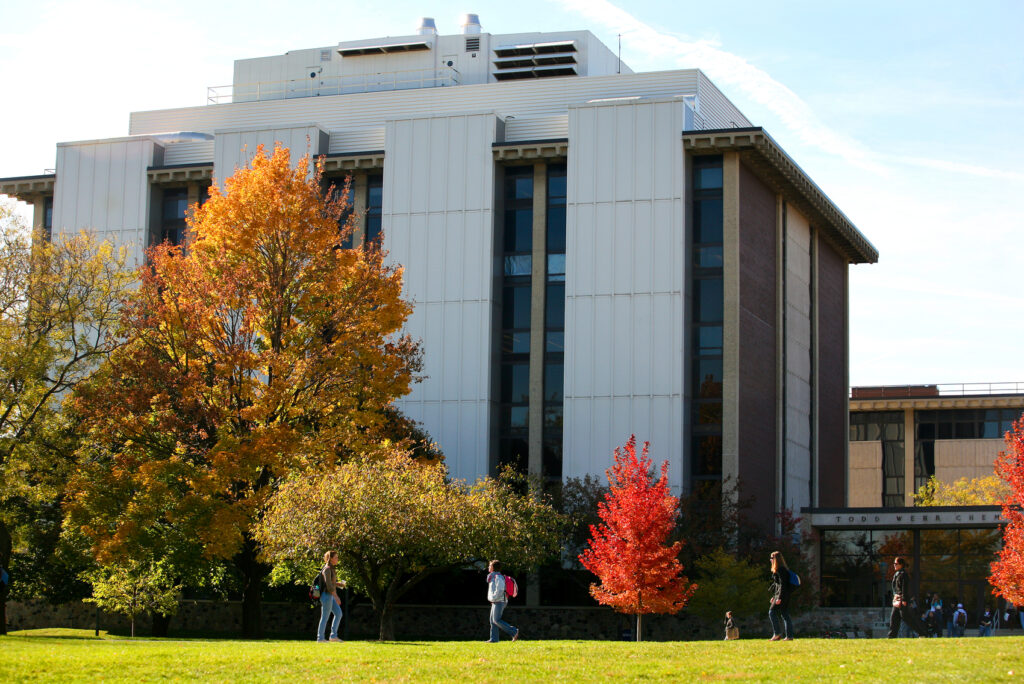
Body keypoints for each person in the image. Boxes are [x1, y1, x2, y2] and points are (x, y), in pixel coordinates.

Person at [887, 557, 926, 639]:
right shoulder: (897, 574)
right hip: (897, 600)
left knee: (907, 618)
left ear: (901, 565)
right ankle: (891, 636)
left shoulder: (904, 574)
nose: (894, 565)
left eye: (896, 564)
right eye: (894, 564)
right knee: (894, 618)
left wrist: (904, 600)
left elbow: (905, 588)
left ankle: (922, 633)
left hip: (901, 600)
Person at [486, 560, 519, 643]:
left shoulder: (498, 577)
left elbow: (500, 589)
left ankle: (514, 631)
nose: (488, 567)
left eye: (490, 565)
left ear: (493, 567)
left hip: (500, 601)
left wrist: (493, 597)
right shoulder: (493, 576)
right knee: (492, 620)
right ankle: (494, 639)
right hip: (496, 601)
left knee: (496, 620)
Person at [317, 550, 346, 643]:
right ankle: (320, 638)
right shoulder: (327, 569)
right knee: (325, 616)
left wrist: (339, 584)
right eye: (336, 557)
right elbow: (329, 586)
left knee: (338, 614)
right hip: (326, 595)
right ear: (331, 558)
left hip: (330, 595)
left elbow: (331, 583)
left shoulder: (332, 569)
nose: (337, 559)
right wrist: (336, 596)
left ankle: (333, 636)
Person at [768, 551, 794, 641]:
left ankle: (777, 634)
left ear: (775, 559)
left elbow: (782, 585)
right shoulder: (780, 569)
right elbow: (777, 585)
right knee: (785, 614)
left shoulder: (781, 570)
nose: (770, 560)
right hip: (783, 595)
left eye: (771, 558)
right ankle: (789, 636)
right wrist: (774, 596)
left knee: (771, 612)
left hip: (782, 595)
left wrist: (779, 598)